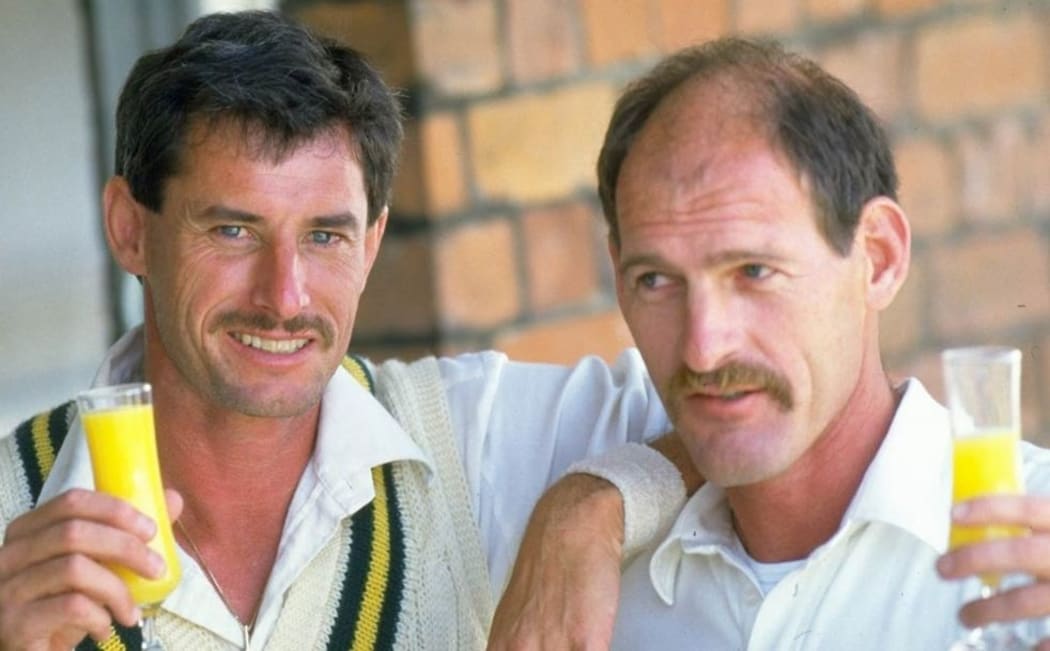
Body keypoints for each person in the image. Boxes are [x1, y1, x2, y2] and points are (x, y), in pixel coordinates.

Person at [0, 11, 689, 650]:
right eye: (234, 230)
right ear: (129, 229)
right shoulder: (10, 506)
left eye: (326, 236)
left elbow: (747, 409)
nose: (284, 296)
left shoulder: (473, 442)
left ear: (371, 242)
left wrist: (589, 505)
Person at [489, 37, 1050, 649]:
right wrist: (580, 506)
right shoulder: (589, 588)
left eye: (754, 272)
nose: (704, 348)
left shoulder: (1031, 569)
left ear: (879, 259)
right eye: (656, 280)